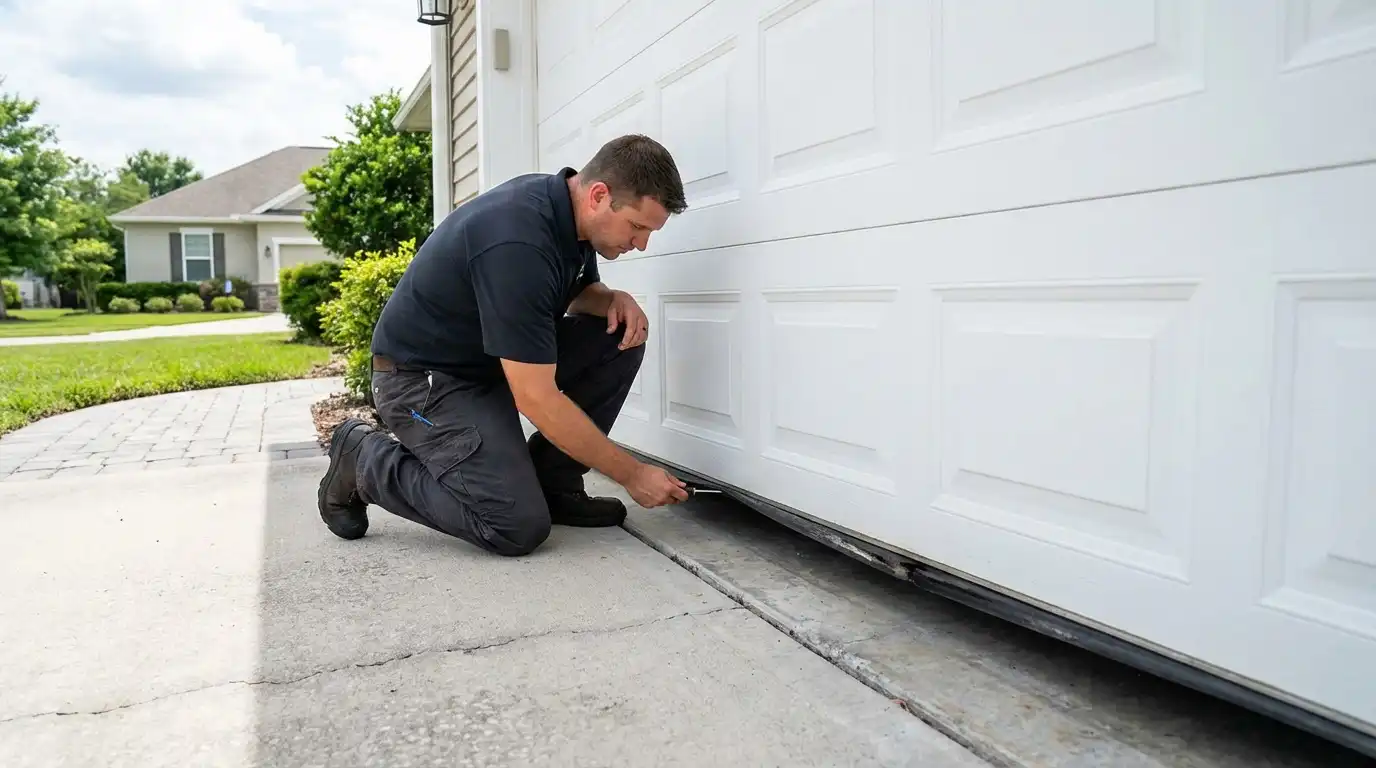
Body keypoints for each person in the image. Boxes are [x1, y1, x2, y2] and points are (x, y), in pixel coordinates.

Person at [316, 134, 693, 557]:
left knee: (618, 339)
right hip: (422, 382)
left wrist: (609, 298)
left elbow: (568, 291)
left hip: (490, 366)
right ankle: (364, 458)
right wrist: (632, 473)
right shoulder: (518, 240)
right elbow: (536, 397)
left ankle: (555, 486)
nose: (641, 244)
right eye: (638, 227)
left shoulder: (566, 215)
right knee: (512, 524)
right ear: (599, 196)